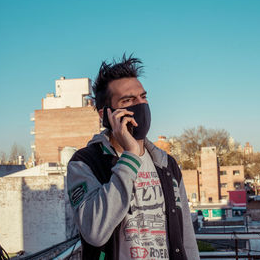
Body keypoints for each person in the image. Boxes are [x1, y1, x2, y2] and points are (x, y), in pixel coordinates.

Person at [67, 55, 200, 260]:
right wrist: (129, 155)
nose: (140, 105)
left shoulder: (166, 164)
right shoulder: (84, 163)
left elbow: (186, 240)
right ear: (105, 115)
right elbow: (95, 232)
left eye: (143, 97)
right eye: (128, 100)